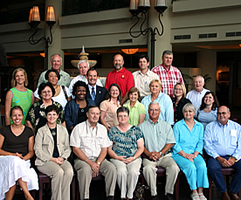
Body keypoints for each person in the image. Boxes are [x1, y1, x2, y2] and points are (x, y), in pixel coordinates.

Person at [70, 106, 117, 200]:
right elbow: (75, 149)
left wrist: (98, 163)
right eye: (93, 113)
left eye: (97, 114)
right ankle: (85, 197)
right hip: (82, 160)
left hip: (99, 160)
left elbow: (104, 149)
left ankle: (110, 197)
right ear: (87, 114)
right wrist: (90, 163)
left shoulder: (102, 129)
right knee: (85, 170)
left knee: (111, 168)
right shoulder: (78, 128)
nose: (95, 116)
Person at [138, 102, 179, 200]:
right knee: (147, 169)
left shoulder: (166, 125)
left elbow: (171, 142)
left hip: (164, 156)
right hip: (149, 157)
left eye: (156, 110)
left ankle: (168, 193)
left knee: (174, 167)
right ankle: (153, 194)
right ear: (148, 111)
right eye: (151, 110)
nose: (154, 112)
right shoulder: (141, 127)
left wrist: (160, 153)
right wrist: (149, 154)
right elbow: (140, 145)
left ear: (159, 111)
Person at [34, 105, 73, 200]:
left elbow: (68, 148)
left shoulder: (63, 129)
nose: (52, 117)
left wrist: (63, 158)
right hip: (45, 161)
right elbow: (37, 150)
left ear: (58, 116)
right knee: (58, 172)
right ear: (46, 116)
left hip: (61, 159)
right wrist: (52, 159)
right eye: (49, 114)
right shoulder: (41, 131)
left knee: (69, 172)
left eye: (54, 114)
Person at [0, 106, 38, 200]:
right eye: (14, 115)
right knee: (14, 162)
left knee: (14, 168)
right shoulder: (4, 130)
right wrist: (14, 155)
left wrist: (22, 159)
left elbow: (31, 152)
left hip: (23, 160)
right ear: (10, 117)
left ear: (23, 116)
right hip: (5, 158)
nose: (17, 118)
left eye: (19, 115)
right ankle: (27, 195)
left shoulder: (29, 131)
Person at [172, 103, 209, 200]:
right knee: (191, 167)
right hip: (180, 154)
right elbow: (174, 143)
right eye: (186, 111)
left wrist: (195, 154)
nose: (188, 113)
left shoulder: (199, 126)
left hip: (195, 154)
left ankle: (201, 192)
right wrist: (185, 155)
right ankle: (194, 191)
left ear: (194, 113)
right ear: (183, 113)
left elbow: (201, 141)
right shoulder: (178, 126)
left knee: (202, 166)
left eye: (190, 111)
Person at [204, 106, 241, 200]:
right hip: (216, 156)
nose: (221, 115)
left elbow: (240, 145)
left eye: (223, 113)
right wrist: (218, 158)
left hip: (233, 156)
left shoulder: (237, 127)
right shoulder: (210, 127)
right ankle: (223, 192)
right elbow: (207, 145)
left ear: (229, 114)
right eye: (219, 113)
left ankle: (233, 190)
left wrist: (234, 158)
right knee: (212, 167)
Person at [108, 107, 144, 200]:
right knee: (121, 172)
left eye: (124, 116)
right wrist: (117, 157)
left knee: (133, 172)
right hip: (117, 158)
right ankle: (123, 196)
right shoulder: (112, 130)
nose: (122, 118)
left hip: (134, 157)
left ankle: (130, 196)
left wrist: (134, 157)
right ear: (117, 117)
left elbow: (141, 147)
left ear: (128, 117)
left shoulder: (136, 130)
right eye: (120, 116)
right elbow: (109, 149)